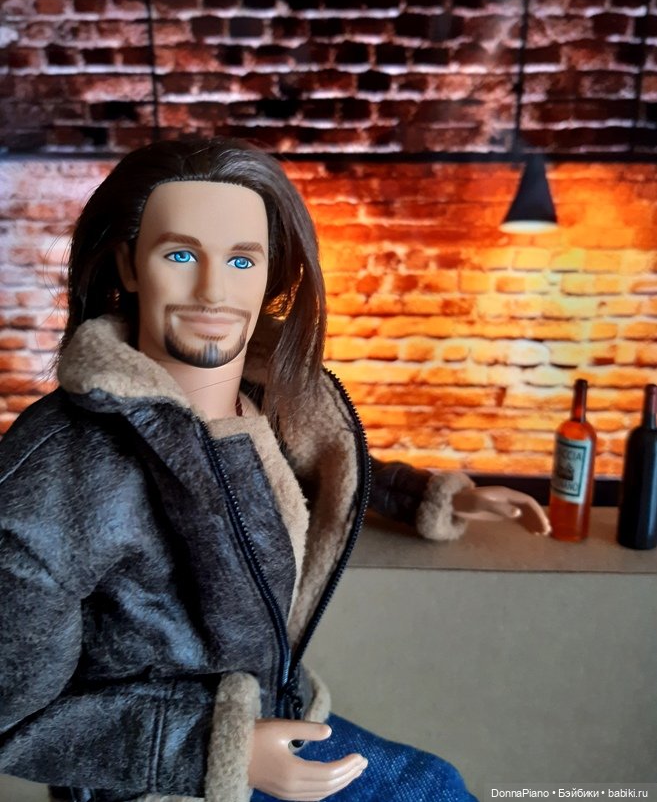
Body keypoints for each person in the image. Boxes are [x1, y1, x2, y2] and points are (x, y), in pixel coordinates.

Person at [0, 137, 548, 802]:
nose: (213, 290)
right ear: (128, 265)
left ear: (271, 276)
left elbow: (307, 471)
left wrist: (429, 495)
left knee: (433, 784)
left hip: (274, 713)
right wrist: (211, 748)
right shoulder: (57, 470)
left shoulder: (270, 401)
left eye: (241, 260)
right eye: (181, 255)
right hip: (158, 776)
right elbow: (11, 717)